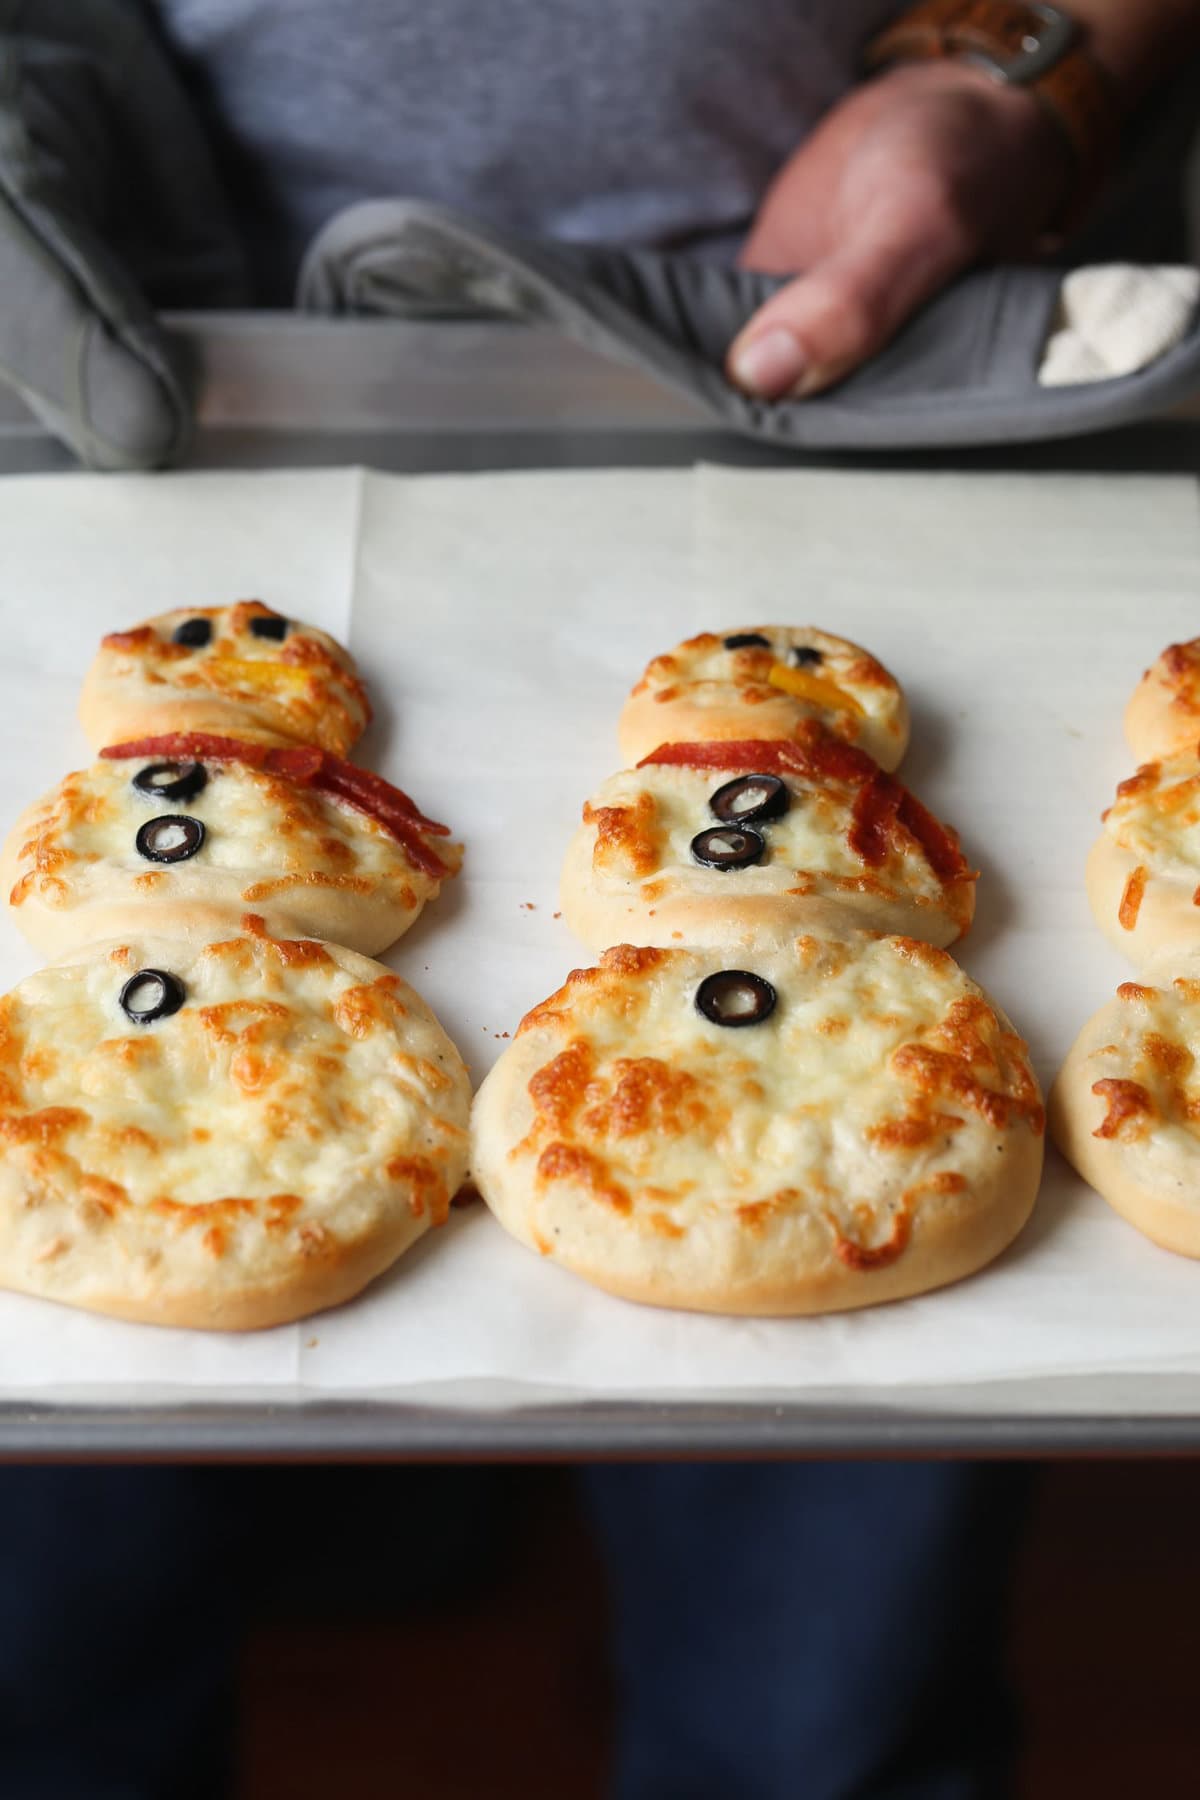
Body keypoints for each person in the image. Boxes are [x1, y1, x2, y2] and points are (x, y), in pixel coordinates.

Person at [0, 5, 1196, 1798]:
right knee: (50, 1665)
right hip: (209, 324)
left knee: (816, 1711)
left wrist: (1027, 71)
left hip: (866, 309)